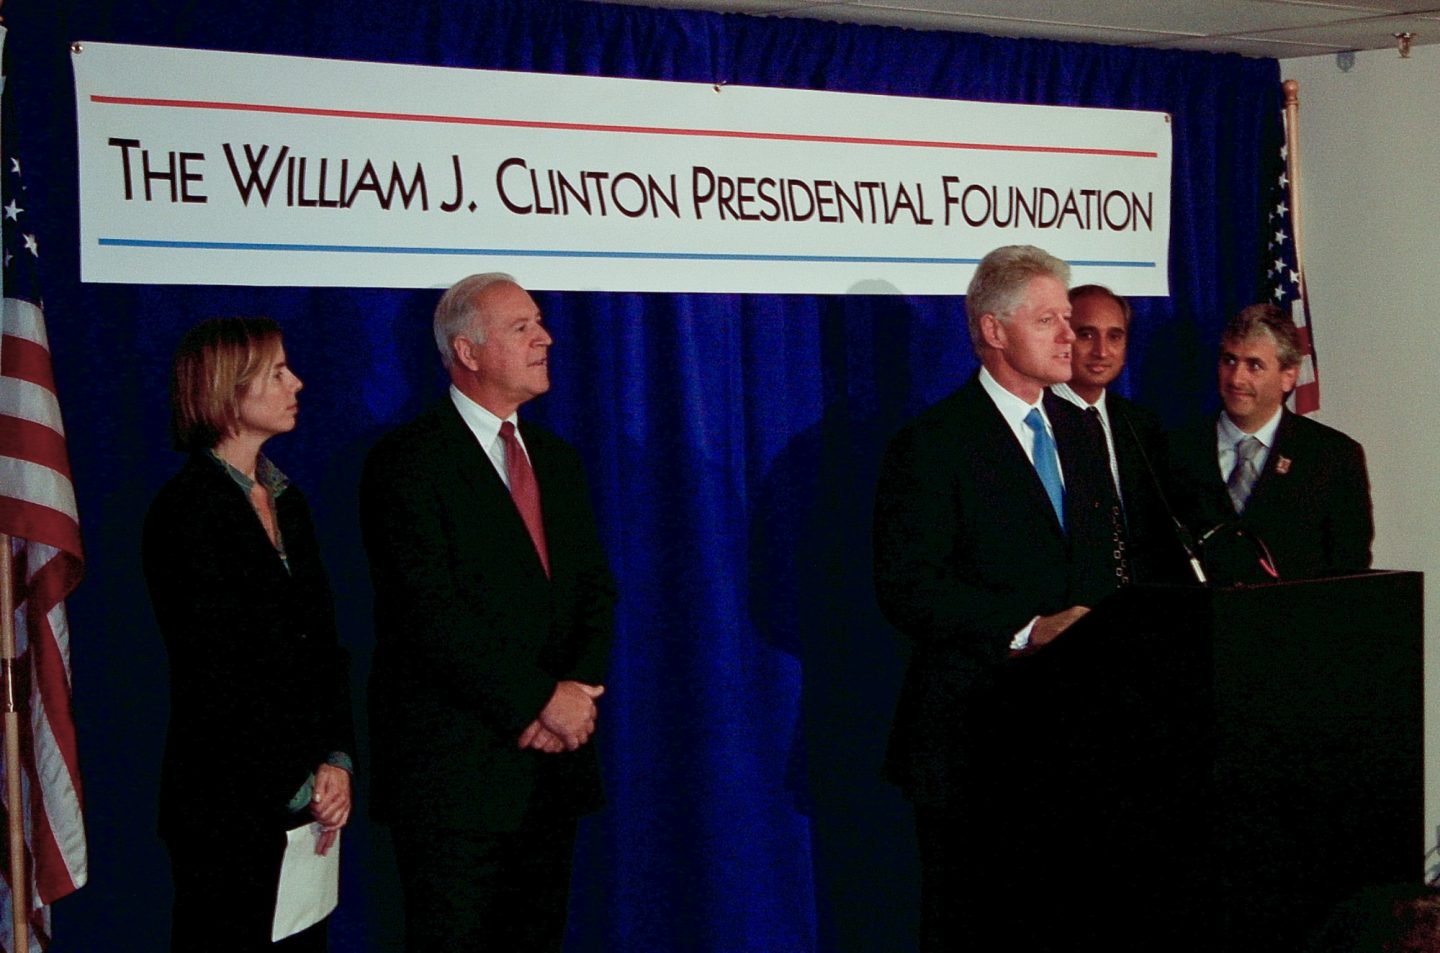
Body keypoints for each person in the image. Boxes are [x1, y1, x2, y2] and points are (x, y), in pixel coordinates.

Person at [360, 273, 615, 952]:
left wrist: (576, 695)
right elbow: (428, 613)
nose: (546, 337)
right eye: (522, 326)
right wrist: (537, 701)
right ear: (468, 352)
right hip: (456, 782)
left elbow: (594, 589)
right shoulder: (407, 462)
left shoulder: (557, 460)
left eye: (540, 322)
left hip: (550, 775)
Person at [872, 245, 1117, 950]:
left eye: (1067, 318)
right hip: (971, 743)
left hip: (1075, 742)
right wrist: (1026, 626)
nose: (1071, 335)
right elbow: (907, 587)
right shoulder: (931, 443)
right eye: (1050, 320)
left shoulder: (1080, 430)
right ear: (994, 330)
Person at [142, 317, 354, 953]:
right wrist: (296, 780)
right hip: (225, 810)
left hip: (307, 805)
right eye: (276, 373)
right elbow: (215, 671)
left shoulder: (290, 502)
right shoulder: (184, 511)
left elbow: (325, 647)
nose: (297, 382)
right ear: (226, 391)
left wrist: (337, 760)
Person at [1168, 303, 1373, 584]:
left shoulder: (1332, 456)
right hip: (1198, 624)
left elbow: (1348, 569)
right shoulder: (1176, 448)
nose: (1237, 378)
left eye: (1254, 365)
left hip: (1294, 624)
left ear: (1289, 375)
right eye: (1229, 360)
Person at [1052, 284, 1191, 584]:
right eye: (1086, 334)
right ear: (1062, 337)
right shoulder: (1035, 421)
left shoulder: (1140, 424)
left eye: (1115, 336)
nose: (1102, 351)